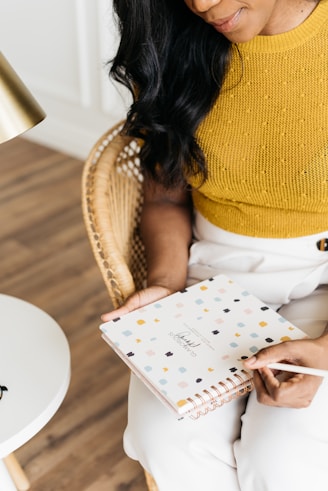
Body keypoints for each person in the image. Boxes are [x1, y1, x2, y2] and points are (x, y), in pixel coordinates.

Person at [102, 1, 328, 489]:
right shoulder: (169, 37)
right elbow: (165, 197)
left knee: (284, 457)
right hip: (211, 280)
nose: (202, 3)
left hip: (323, 282)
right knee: (166, 442)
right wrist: (165, 285)